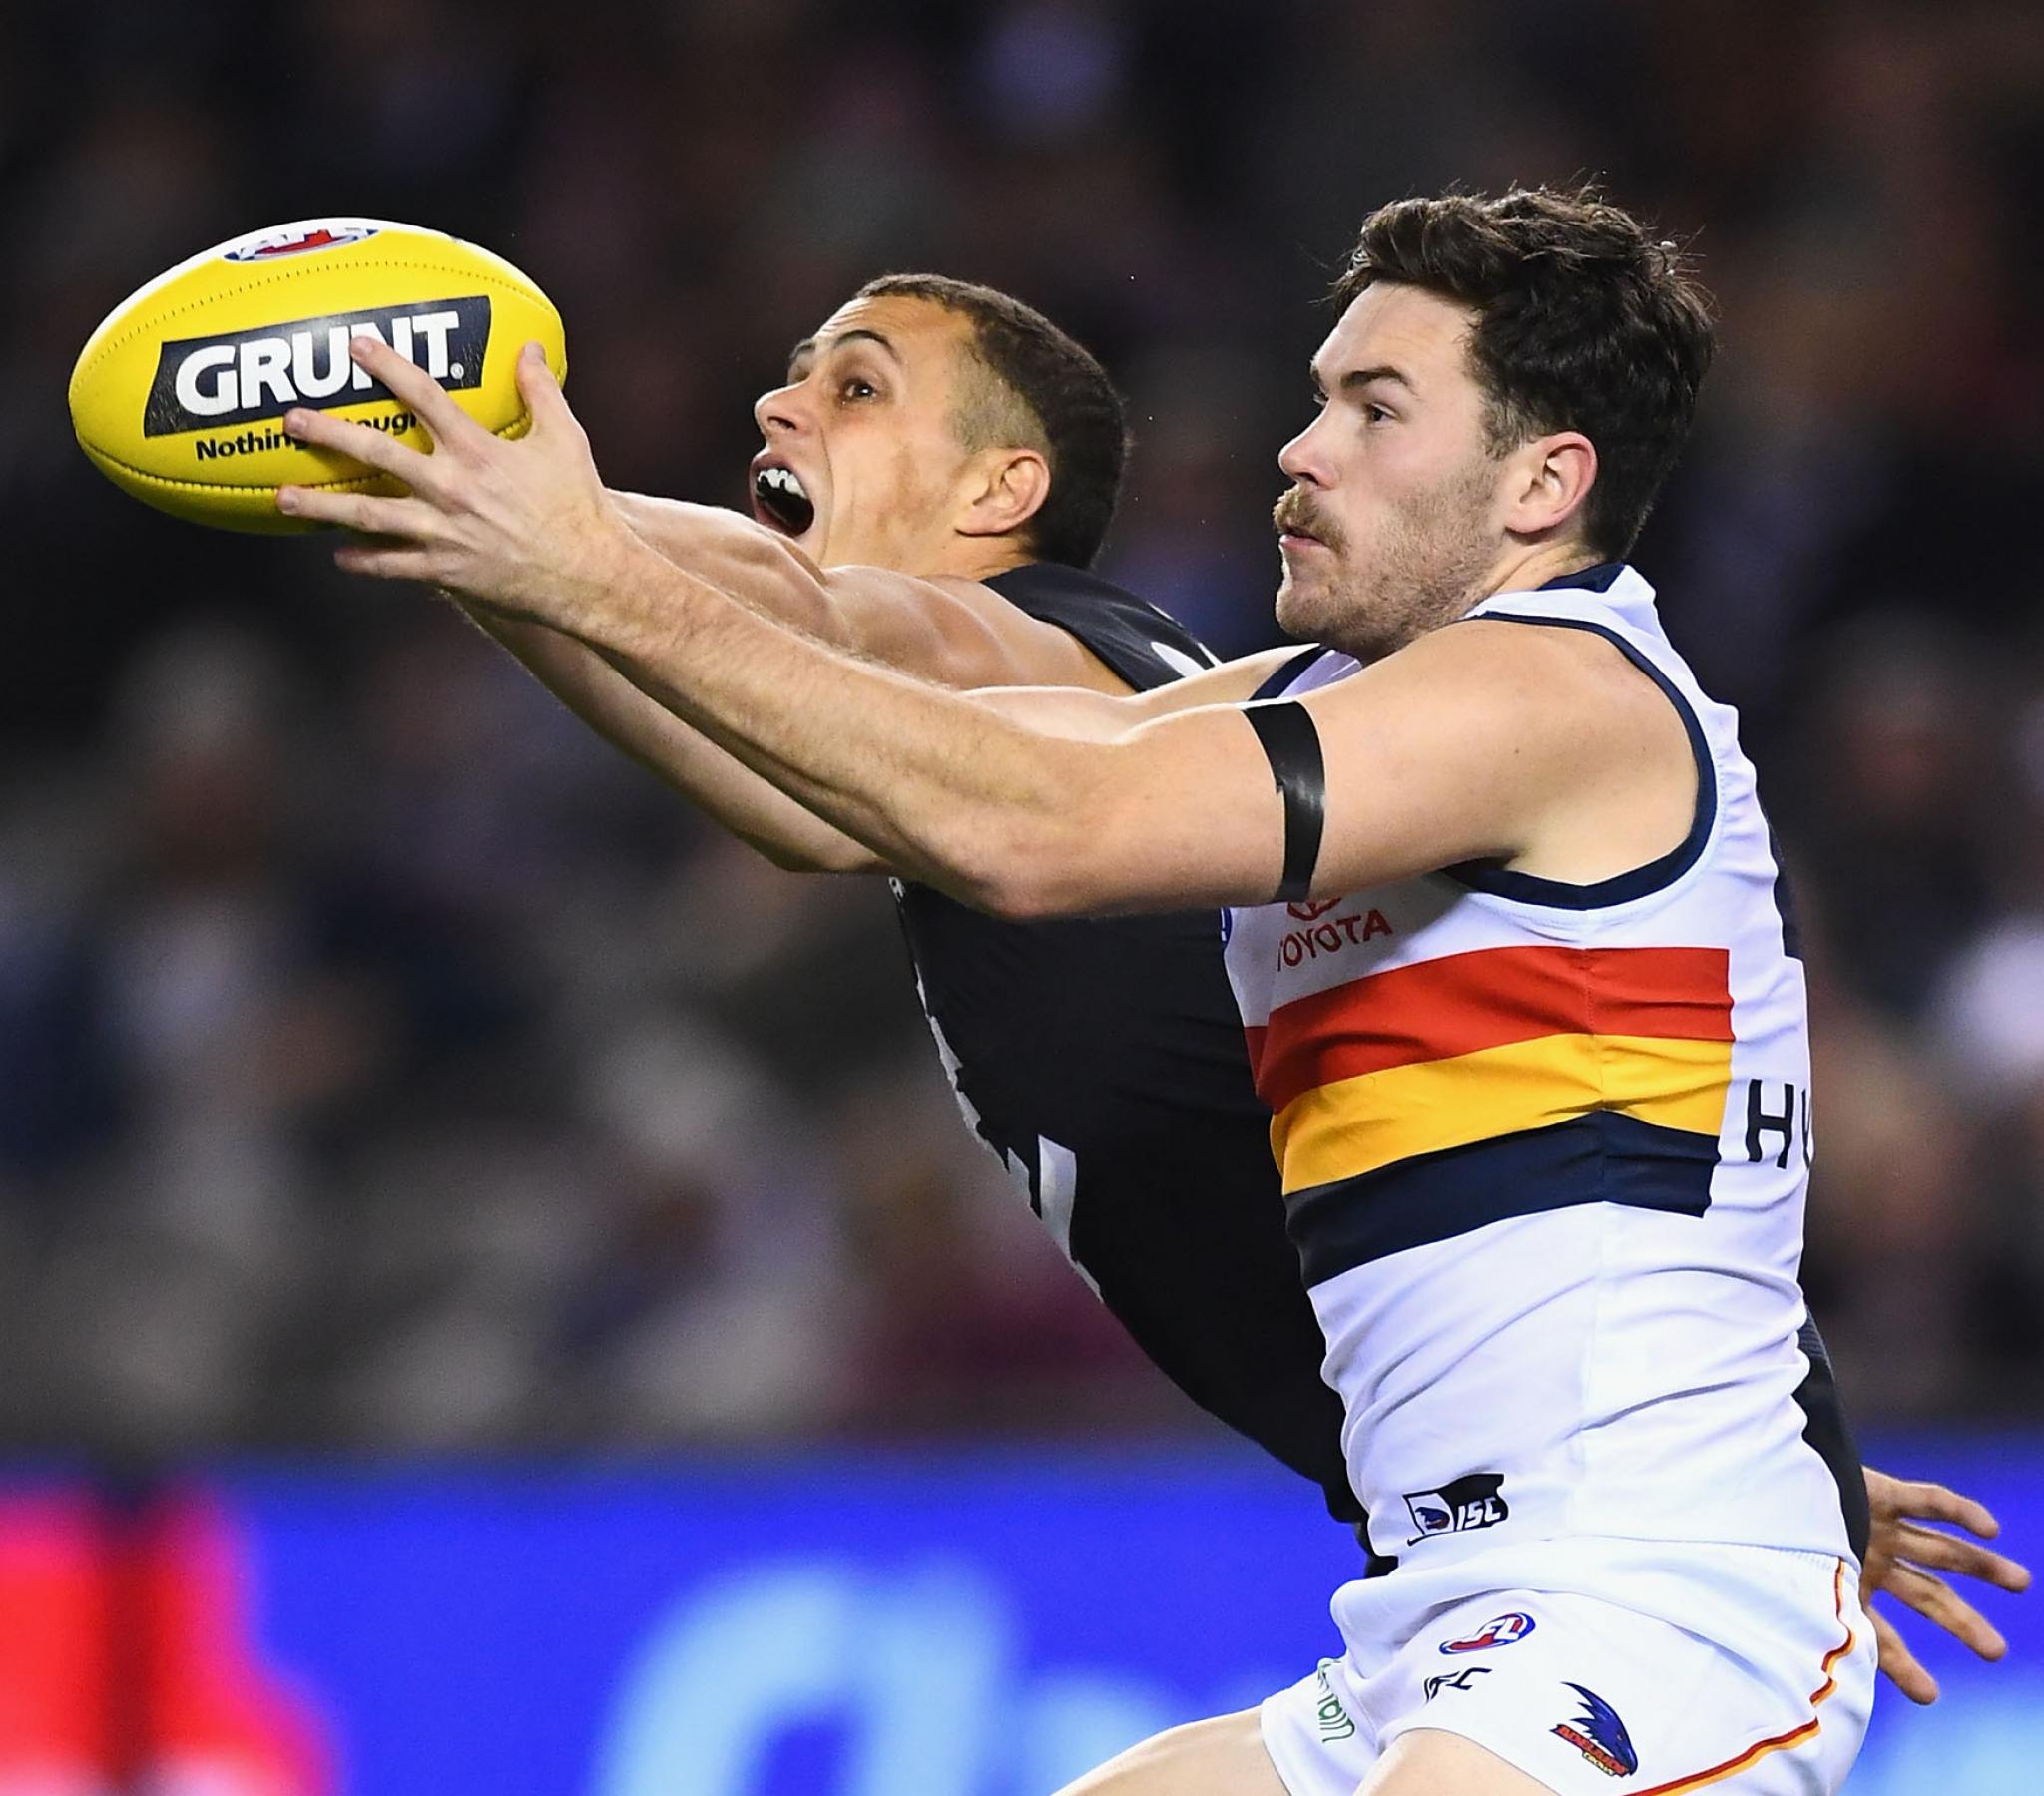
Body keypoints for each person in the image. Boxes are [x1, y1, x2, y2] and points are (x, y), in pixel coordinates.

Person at [275, 194, 2025, 1791]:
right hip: (1451, 1608)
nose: (1299, 448)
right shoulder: (1313, 698)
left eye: (1376, 411)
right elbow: (850, 786)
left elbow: (1042, 820)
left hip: (1646, 1595)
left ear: (1541, 484)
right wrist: (502, 545)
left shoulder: (1561, 692)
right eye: (1318, 399)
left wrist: (575, 553)